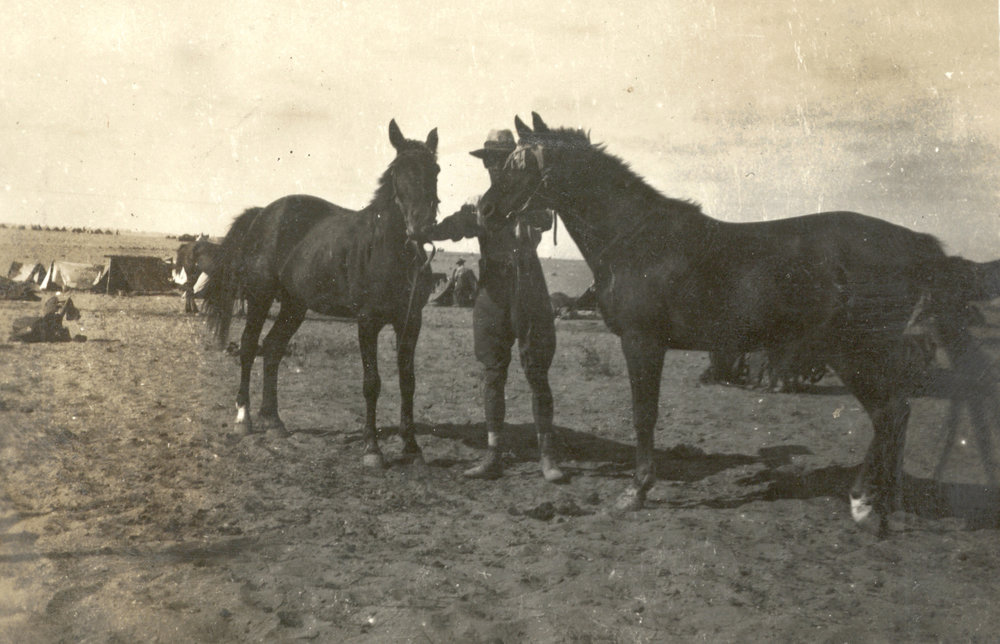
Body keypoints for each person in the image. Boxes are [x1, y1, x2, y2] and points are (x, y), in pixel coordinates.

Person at [429, 129, 564, 482]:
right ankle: (493, 455)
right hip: (491, 291)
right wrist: (420, 230)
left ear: (511, 162)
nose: (492, 166)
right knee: (492, 372)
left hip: (527, 286)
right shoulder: (481, 201)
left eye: (499, 160)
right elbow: (453, 226)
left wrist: (524, 213)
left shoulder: (530, 198)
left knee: (536, 371)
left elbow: (543, 219)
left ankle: (547, 457)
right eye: (488, 160)